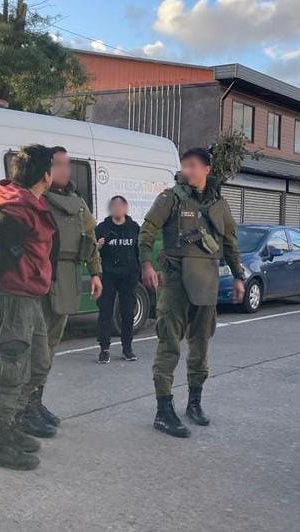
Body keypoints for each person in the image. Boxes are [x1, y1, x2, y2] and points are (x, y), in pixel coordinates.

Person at [140, 147, 245, 438]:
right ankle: (163, 410)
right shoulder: (170, 198)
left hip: (207, 282)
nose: (187, 170)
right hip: (175, 281)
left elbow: (230, 243)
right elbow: (147, 230)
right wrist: (146, 264)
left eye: (193, 165)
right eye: (184, 165)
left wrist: (239, 276)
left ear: (207, 169)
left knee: (200, 345)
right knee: (169, 344)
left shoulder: (219, 204)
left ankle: (194, 403)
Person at [16, 146, 103, 438]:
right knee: (35, 347)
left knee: (50, 346)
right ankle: (23, 408)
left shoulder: (78, 203)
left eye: (68, 164)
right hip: (43, 277)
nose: (65, 170)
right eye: (58, 164)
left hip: (68, 277)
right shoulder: (37, 198)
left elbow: (90, 238)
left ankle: (35, 401)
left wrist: (96, 273)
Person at [0, 145, 57, 470]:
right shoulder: (15, 208)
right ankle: (0, 442)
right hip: (12, 298)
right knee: (12, 373)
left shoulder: (31, 204)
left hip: (29, 297)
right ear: (45, 175)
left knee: (38, 364)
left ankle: (15, 422)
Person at [95, 195, 141, 364]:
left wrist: (138, 272)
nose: (117, 209)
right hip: (108, 275)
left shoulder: (134, 228)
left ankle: (127, 348)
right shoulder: (102, 228)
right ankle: (104, 349)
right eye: (114, 206)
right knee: (105, 311)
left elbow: (139, 251)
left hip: (128, 276)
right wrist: (98, 245)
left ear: (126, 208)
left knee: (128, 312)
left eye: (121, 206)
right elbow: (92, 251)